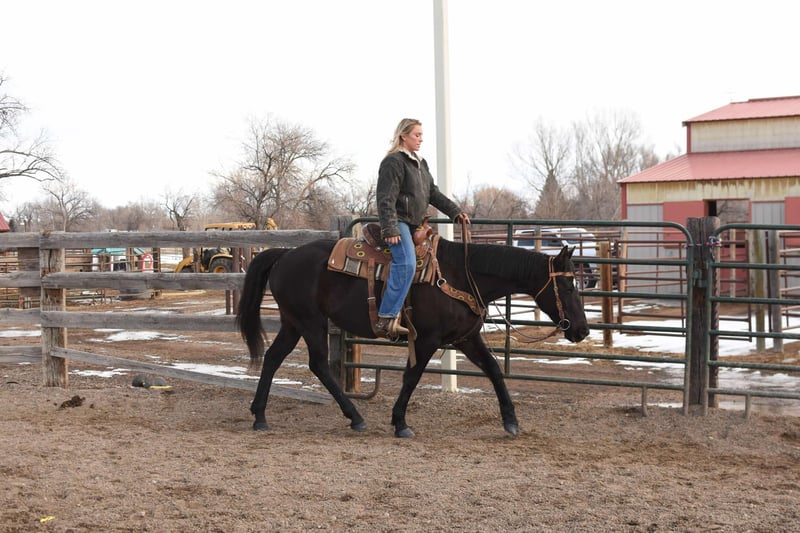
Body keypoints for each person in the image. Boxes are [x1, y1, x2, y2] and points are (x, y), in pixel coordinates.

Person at [374, 118, 471, 338]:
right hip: (399, 222)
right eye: (416, 135)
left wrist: (455, 212)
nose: (421, 139)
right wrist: (390, 229)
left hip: (417, 225)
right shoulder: (393, 162)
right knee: (406, 263)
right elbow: (385, 198)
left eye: (421, 135)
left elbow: (432, 193)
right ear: (403, 136)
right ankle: (386, 318)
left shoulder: (420, 163)